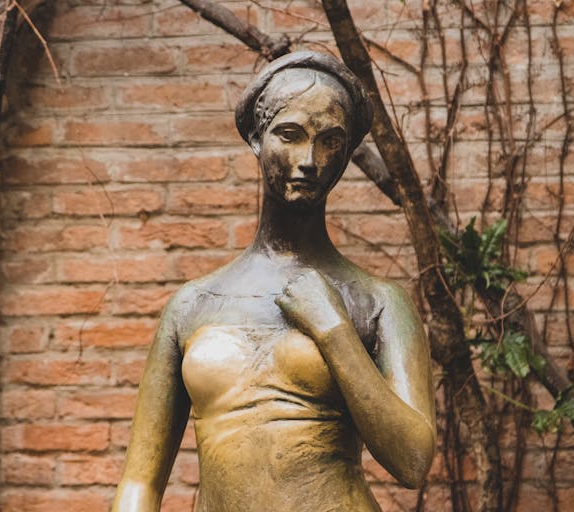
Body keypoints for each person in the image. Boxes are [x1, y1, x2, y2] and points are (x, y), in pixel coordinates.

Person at [111, 51, 436, 512]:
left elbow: (413, 461)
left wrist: (334, 330)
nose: (309, 160)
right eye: (290, 134)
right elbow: (139, 483)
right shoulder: (193, 305)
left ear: (346, 153)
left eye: (330, 141)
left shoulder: (377, 301)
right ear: (256, 139)